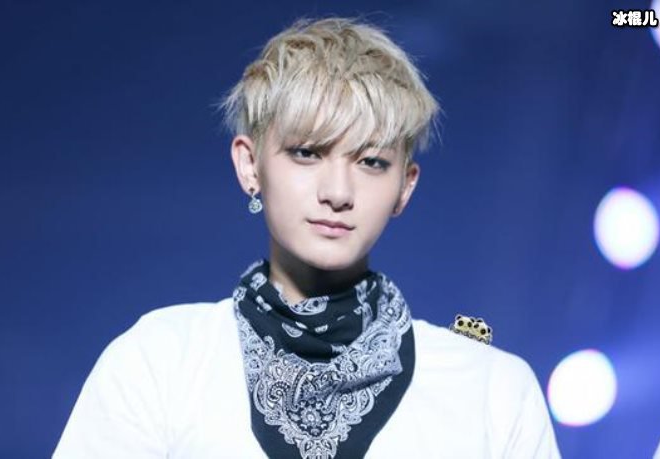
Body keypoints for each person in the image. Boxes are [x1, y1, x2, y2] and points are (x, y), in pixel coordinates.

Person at [53, 17, 561, 458]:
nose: (337, 192)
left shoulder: (490, 388)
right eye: (307, 153)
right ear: (249, 165)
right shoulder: (161, 361)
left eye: (371, 162)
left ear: (405, 186)